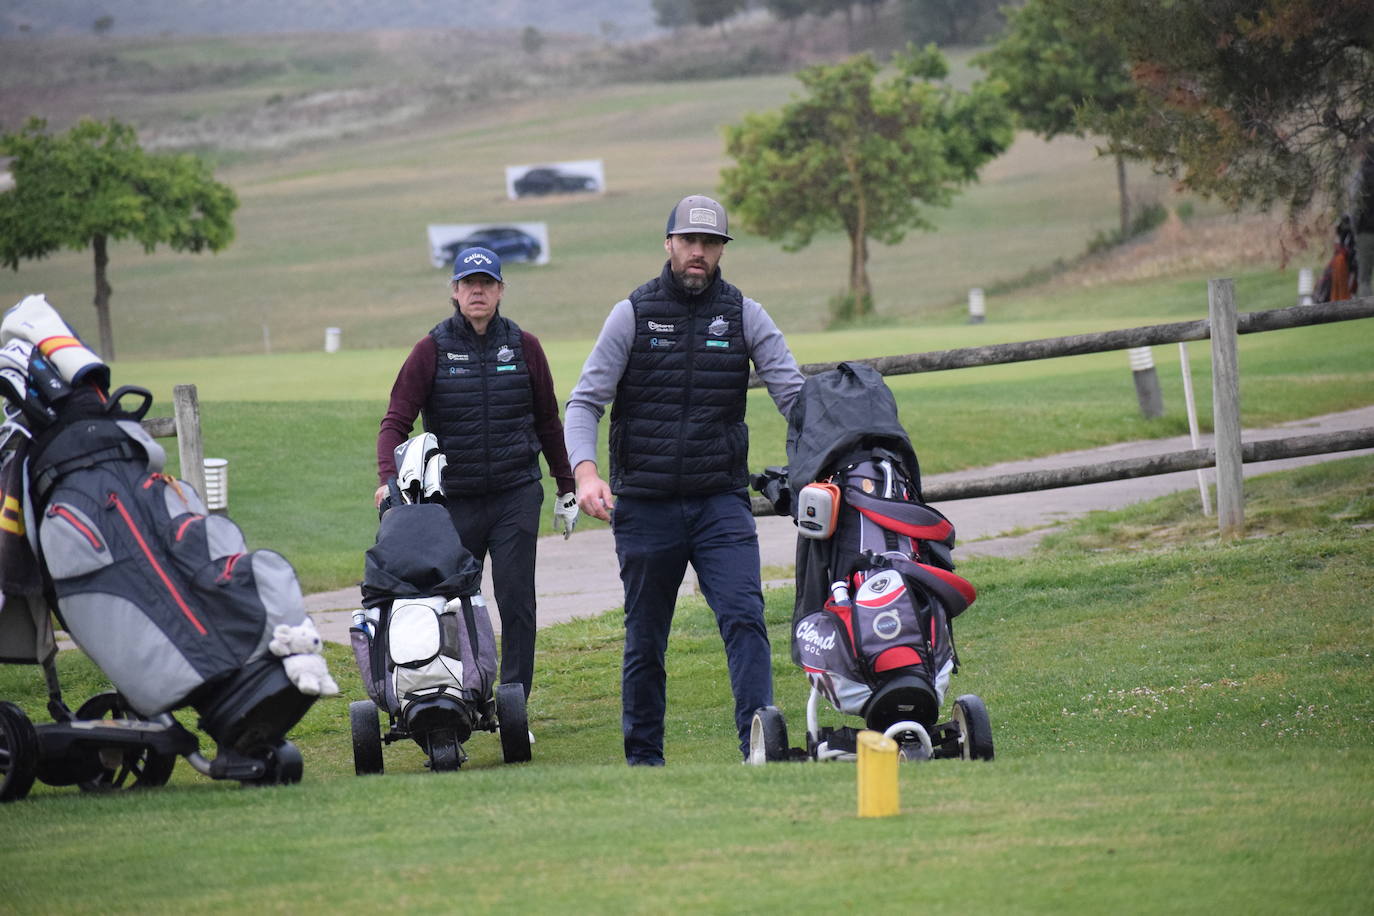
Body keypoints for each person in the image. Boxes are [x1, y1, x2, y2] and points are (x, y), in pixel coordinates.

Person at [564, 195, 804, 765]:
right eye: (689, 241)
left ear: (721, 250)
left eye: (710, 243)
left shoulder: (745, 314)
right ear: (669, 244)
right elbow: (584, 402)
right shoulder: (633, 313)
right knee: (646, 640)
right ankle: (644, 760)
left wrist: (837, 445)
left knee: (745, 619)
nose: (699, 253)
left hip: (720, 500)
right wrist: (586, 471)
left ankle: (758, 747)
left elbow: (795, 397)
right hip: (645, 506)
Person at [375, 246, 577, 703]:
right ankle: (456, 694)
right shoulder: (431, 350)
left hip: (515, 494)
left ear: (501, 290)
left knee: (516, 601)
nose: (478, 291)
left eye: (487, 283)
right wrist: (388, 479)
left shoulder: (525, 347)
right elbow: (395, 422)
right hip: (452, 501)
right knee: (452, 600)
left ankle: (513, 702)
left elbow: (548, 420)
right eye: (469, 284)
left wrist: (566, 487)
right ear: (455, 292)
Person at [1348, 139, 1374, 294]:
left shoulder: (1361, 174)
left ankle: (1366, 313)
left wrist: (1354, 227)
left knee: (1364, 278)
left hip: (1365, 230)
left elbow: (1354, 202)